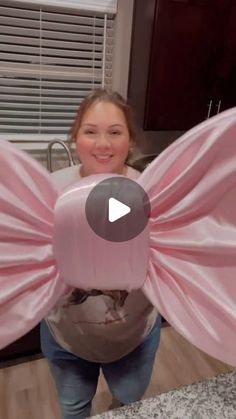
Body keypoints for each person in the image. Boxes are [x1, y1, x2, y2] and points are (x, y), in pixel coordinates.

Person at [40, 89, 161, 419]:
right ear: (75, 137)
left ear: (131, 140)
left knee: (128, 404)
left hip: (134, 338)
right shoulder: (49, 192)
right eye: (90, 131)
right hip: (67, 337)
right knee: (74, 408)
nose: (103, 144)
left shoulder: (154, 196)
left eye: (115, 132)